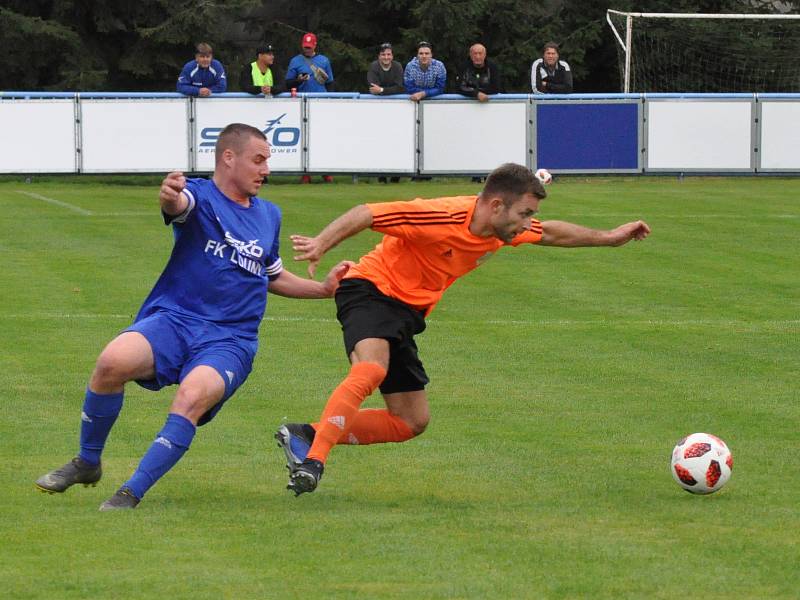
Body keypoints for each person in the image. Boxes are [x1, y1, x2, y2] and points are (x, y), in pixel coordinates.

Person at [275, 163, 651, 496]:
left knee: (410, 421)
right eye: (524, 213)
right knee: (371, 368)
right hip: (371, 289)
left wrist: (609, 237)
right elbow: (367, 212)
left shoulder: (502, 228)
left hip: (406, 312)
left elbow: (551, 232)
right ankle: (314, 462)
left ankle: (307, 433)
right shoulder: (440, 214)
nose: (527, 223)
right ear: (495, 205)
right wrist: (320, 243)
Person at [35, 123, 351, 510]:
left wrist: (323, 288)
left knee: (191, 395)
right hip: (175, 319)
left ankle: (130, 491)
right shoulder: (199, 196)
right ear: (228, 158)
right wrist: (169, 197)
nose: (266, 169)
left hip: (230, 339)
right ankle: (88, 461)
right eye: (259, 159)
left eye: (268, 160)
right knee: (110, 362)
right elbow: (178, 206)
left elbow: (271, 276)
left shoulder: (269, 215)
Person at [286, 32, 335, 183]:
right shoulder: (295, 61)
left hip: (320, 102)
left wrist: (330, 99)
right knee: (305, 139)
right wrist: (298, 79)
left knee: (321, 138)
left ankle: (324, 170)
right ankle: (306, 172)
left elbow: (330, 83)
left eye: (309, 47)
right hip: (302, 103)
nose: (306, 49)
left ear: (314, 46)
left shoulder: (324, 60)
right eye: (305, 47)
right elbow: (288, 83)